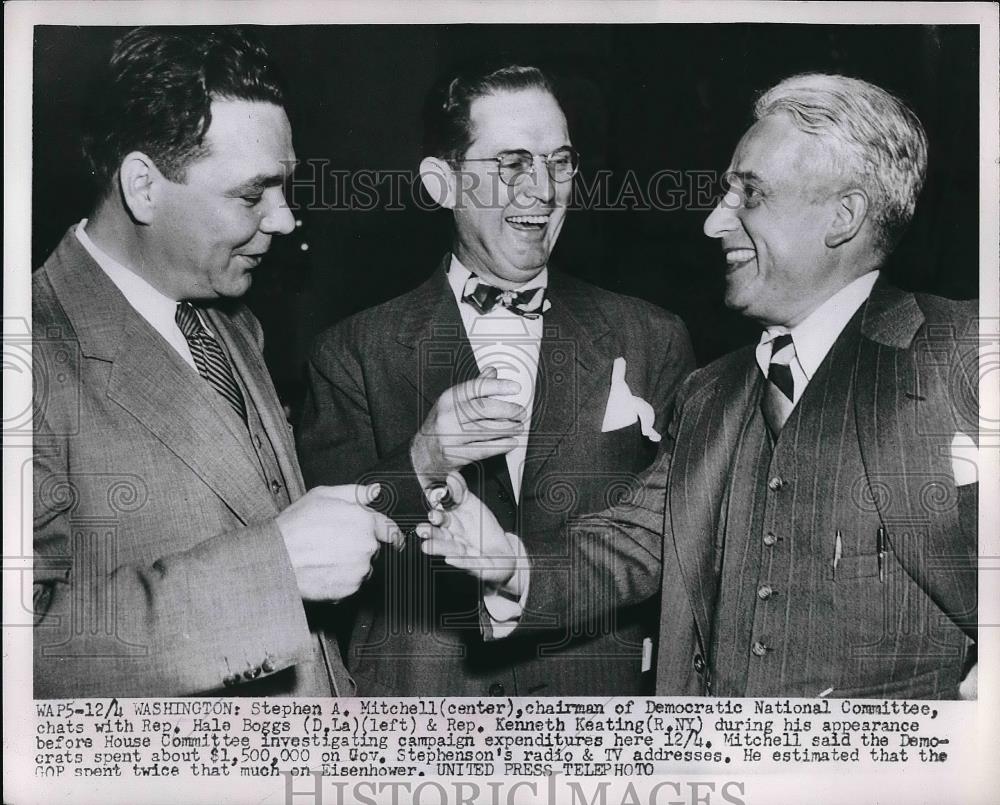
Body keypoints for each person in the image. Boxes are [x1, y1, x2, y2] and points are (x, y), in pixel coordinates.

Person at [421, 73, 978, 699]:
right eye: (724, 193)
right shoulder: (710, 394)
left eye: (750, 195)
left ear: (843, 216)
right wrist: (511, 566)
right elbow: (630, 543)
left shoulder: (963, 353)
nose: (715, 223)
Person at [297, 63, 694, 696]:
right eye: (511, 164)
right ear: (441, 183)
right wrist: (423, 458)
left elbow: (664, 541)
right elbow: (325, 560)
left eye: (559, 163)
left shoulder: (652, 337)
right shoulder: (351, 353)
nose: (541, 190)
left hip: (593, 721)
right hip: (421, 727)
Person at [32, 27, 401, 698]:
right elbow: (28, 651)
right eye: (251, 195)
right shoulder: (28, 353)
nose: (286, 220)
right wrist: (271, 573)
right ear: (143, 186)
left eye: (284, 188)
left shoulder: (229, 323)